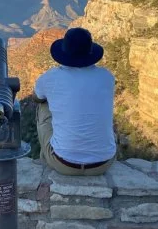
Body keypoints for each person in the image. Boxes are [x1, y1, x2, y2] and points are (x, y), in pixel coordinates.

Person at [34, 27, 116, 176]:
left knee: (43, 105)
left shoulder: (51, 77)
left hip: (64, 164)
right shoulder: (107, 76)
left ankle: (46, 158)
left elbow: (37, 97)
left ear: (64, 52)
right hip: (104, 163)